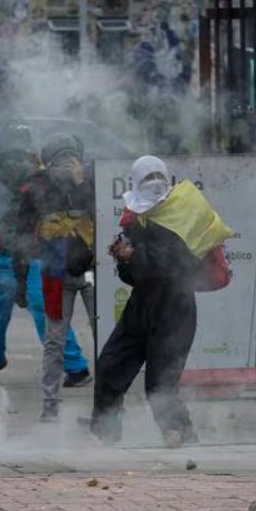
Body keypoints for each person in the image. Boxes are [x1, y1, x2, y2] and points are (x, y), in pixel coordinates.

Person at [91, 156, 233, 448]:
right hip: (142, 303)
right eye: (147, 177)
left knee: (161, 382)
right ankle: (105, 431)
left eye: (157, 175)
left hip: (175, 307)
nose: (153, 181)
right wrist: (124, 258)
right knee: (110, 364)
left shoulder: (185, 214)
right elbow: (134, 275)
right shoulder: (137, 218)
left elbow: (178, 264)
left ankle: (181, 435)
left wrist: (135, 256)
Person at [0, 122, 90, 387]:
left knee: (44, 307)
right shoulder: (19, 170)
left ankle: (76, 366)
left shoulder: (58, 179)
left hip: (34, 253)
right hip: (5, 248)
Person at [14, 134, 96, 421]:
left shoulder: (91, 180)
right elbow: (22, 236)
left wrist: (82, 183)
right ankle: (51, 407)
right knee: (56, 341)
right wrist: (21, 281)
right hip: (57, 274)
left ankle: (108, 406)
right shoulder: (36, 187)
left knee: (102, 339)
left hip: (88, 271)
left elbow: (109, 217)